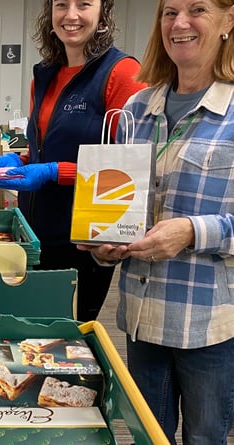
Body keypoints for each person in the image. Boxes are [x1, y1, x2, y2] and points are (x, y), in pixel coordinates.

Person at [79, 0, 234, 443]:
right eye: (169, 11)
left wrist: (191, 231)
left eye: (197, 10)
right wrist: (106, 244)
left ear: (228, 20)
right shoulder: (137, 108)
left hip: (210, 323)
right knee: (147, 435)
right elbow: (123, 205)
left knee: (205, 437)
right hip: (143, 315)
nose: (179, 23)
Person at [0, 0, 146, 322]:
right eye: (62, 5)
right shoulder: (44, 76)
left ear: (103, 14)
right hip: (35, 232)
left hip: (84, 237)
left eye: (84, 4)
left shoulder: (122, 73)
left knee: (66, 339)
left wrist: (52, 172)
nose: (71, 15)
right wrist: (20, 160)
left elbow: (130, 170)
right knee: (29, 331)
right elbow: (46, 147)